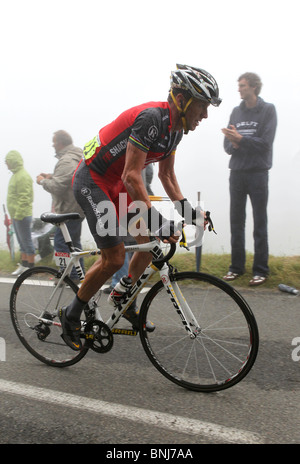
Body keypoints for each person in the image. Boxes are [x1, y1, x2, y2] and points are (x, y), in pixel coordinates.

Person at [60, 64, 222, 350]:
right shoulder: (152, 119)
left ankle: (124, 297)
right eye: (202, 106)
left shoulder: (176, 130)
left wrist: (187, 213)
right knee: (114, 257)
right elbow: (132, 175)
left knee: (149, 243)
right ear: (182, 101)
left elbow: (166, 175)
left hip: (118, 183)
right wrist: (159, 221)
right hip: (92, 180)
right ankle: (71, 315)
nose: (205, 115)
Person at [222, 72, 277, 286]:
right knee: (236, 222)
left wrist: (241, 140)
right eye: (239, 86)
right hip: (236, 173)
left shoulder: (268, 110)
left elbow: (265, 143)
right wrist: (234, 143)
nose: (239, 89)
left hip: (258, 174)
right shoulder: (236, 111)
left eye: (243, 86)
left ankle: (261, 270)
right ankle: (236, 268)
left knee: (259, 222)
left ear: (253, 87)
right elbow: (227, 145)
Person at [36, 130, 85, 281]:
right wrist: (52, 176)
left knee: (61, 243)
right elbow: (66, 178)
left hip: (68, 208)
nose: (52, 145)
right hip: (77, 207)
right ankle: (78, 274)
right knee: (74, 244)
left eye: (54, 141)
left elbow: (58, 187)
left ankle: (67, 276)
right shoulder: (75, 156)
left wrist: (42, 181)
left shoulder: (67, 160)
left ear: (61, 142)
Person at [5, 150, 35, 275]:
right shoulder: (16, 175)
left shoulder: (22, 176)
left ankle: (31, 268)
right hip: (17, 215)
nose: (6, 165)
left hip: (22, 215)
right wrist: (14, 216)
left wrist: (18, 215)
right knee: (22, 241)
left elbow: (25, 198)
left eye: (7, 162)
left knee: (26, 241)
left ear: (13, 161)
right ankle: (24, 265)